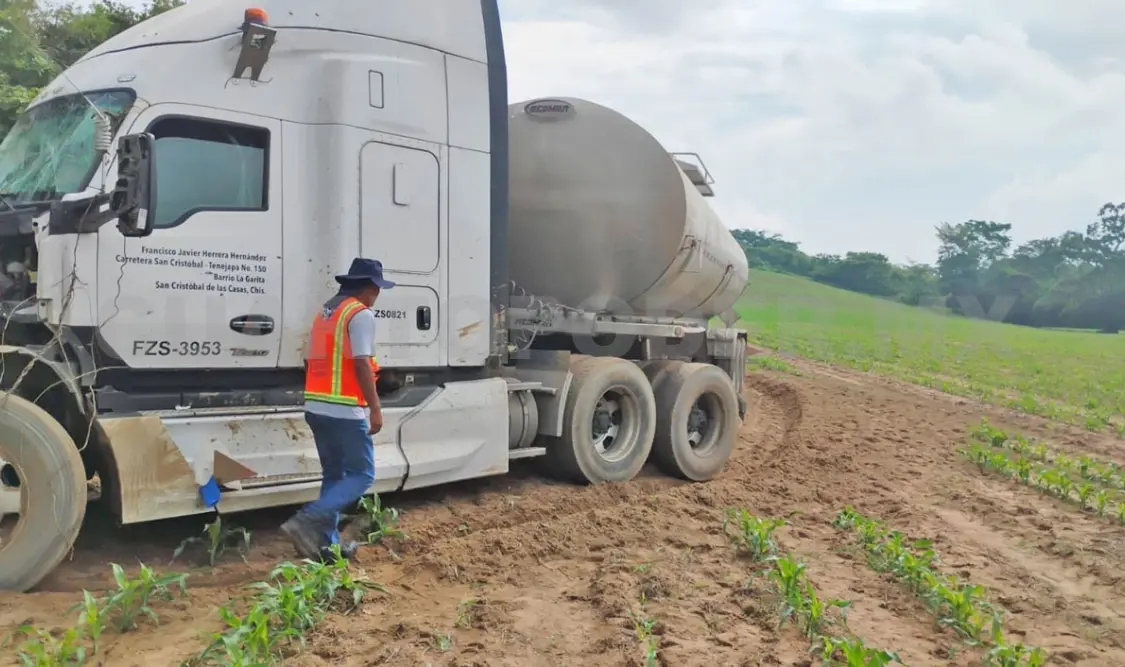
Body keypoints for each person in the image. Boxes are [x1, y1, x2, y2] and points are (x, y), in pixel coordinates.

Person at [280, 257, 394, 561]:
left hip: (316, 405)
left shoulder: (327, 313)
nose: (377, 295)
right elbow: (360, 363)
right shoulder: (360, 314)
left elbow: (312, 360)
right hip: (345, 409)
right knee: (362, 474)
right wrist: (376, 407)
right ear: (369, 287)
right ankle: (307, 518)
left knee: (335, 474)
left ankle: (326, 548)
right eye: (378, 289)